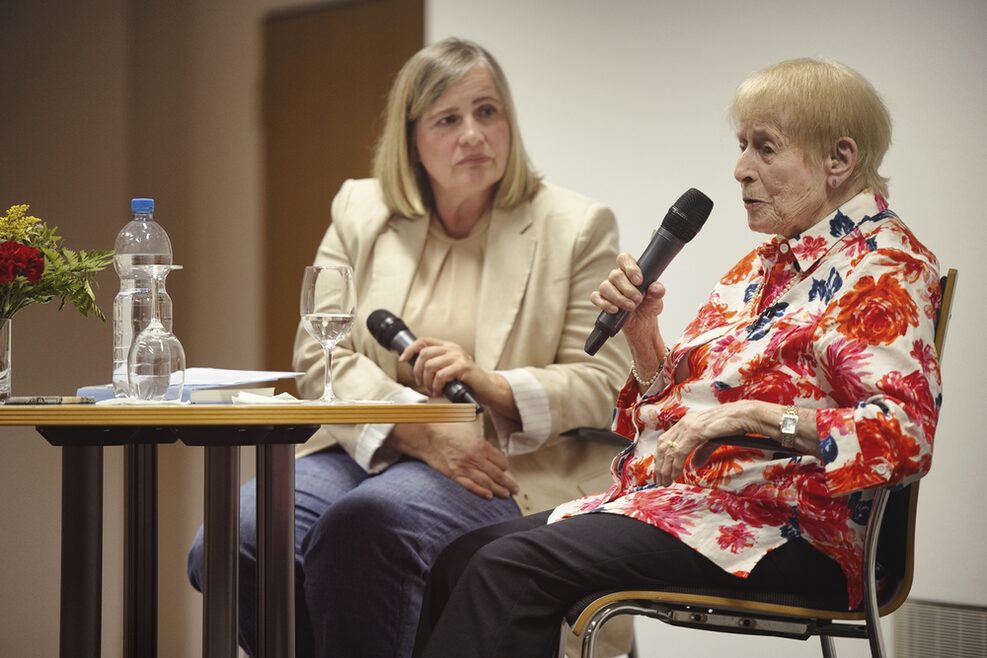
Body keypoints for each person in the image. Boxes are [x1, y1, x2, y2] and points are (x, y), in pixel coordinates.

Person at [412, 58, 942, 658]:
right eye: (743, 145)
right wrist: (643, 337)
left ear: (838, 161)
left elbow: (903, 435)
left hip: (795, 531)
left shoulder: (885, 269)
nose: (740, 170)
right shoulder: (765, 264)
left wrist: (753, 418)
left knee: (508, 568)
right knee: (457, 560)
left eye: (765, 149)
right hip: (689, 505)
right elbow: (682, 412)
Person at [185, 37, 630, 658]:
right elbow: (320, 356)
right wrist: (419, 431)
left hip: (501, 461)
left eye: (487, 111)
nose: (473, 134)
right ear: (412, 139)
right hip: (370, 445)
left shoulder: (576, 225)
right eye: (448, 119)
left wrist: (489, 383)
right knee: (235, 538)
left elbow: (606, 381)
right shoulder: (360, 210)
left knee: (365, 528)